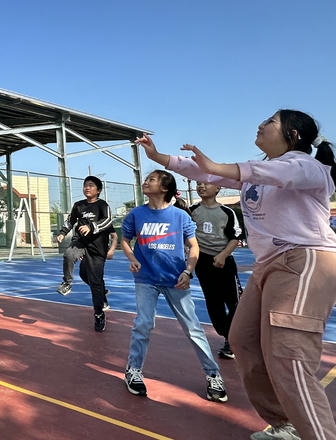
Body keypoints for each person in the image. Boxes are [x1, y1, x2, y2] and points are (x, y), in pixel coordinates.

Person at [136, 110, 336, 440]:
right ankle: (286, 424)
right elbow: (205, 171)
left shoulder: (307, 166)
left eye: (270, 122)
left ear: (293, 135)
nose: (261, 125)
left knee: (290, 356)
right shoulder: (257, 173)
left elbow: (262, 171)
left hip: (305, 261)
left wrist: (216, 166)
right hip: (268, 264)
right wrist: (160, 158)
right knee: (242, 339)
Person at [119, 169, 229, 403]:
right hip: (146, 279)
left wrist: (188, 271)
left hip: (176, 279)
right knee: (143, 324)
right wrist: (132, 258)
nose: (145, 182)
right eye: (146, 179)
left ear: (165, 187)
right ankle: (133, 370)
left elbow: (194, 246)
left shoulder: (180, 216)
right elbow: (125, 241)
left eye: (151, 179)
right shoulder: (136, 214)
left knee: (193, 328)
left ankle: (213, 375)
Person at [189, 181, 244, 359]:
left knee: (235, 302)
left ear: (218, 188)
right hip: (203, 262)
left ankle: (233, 341)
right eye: (198, 183)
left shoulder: (227, 212)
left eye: (206, 183)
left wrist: (223, 255)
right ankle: (228, 335)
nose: (201, 186)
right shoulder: (192, 211)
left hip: (224, 261)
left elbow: (236, 237)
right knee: (214, 304)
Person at [55, 175, 115, 332]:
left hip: (97, 249)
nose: (87, 188)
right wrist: (62, 232)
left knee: (93, 280)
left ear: (98, 190)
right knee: (69, 254)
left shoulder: (102, 205)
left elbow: (108, 221)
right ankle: (67, 283)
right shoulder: (78, 205)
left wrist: (91, 227)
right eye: (85, 185)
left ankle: (99, 313)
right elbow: (70, 220)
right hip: (81, 243)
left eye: (91, 185)